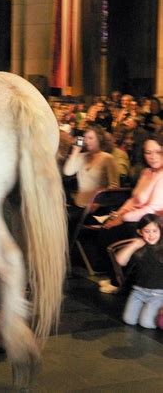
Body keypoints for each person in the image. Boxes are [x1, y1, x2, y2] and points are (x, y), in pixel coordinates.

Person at [98, 137, 163, 293]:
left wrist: (122, 218)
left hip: (155, 220)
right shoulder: (147, 172)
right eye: (148, 152)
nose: (152, 156)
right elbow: (134, 199)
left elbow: (152, 208)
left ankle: (119, 281)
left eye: (157, 152)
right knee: (106, 230)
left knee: (119, 232)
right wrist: (118, 213)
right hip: (138, 216)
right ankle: (116, 277)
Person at [63, 125, 120, 240]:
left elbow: (114, 186)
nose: (86, 141)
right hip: (78, 204)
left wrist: (98, 203)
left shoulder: (107, 158)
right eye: (85, 138)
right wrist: (75, 151)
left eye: (91, 138)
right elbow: (67, 171)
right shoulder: (81, 156)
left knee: (66, 221)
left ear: (99, 140)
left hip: (96, 208)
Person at [115, 214, 163, 329]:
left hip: (158, 293)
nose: (151, 235)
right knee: (129, 320)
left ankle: (155, 309)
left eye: (155, 231)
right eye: (147, 231)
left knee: (146, 324)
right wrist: (133, 245)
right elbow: (120, 261)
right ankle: (147, 309)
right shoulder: (139, 247)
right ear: (140, 232)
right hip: (138, 292)